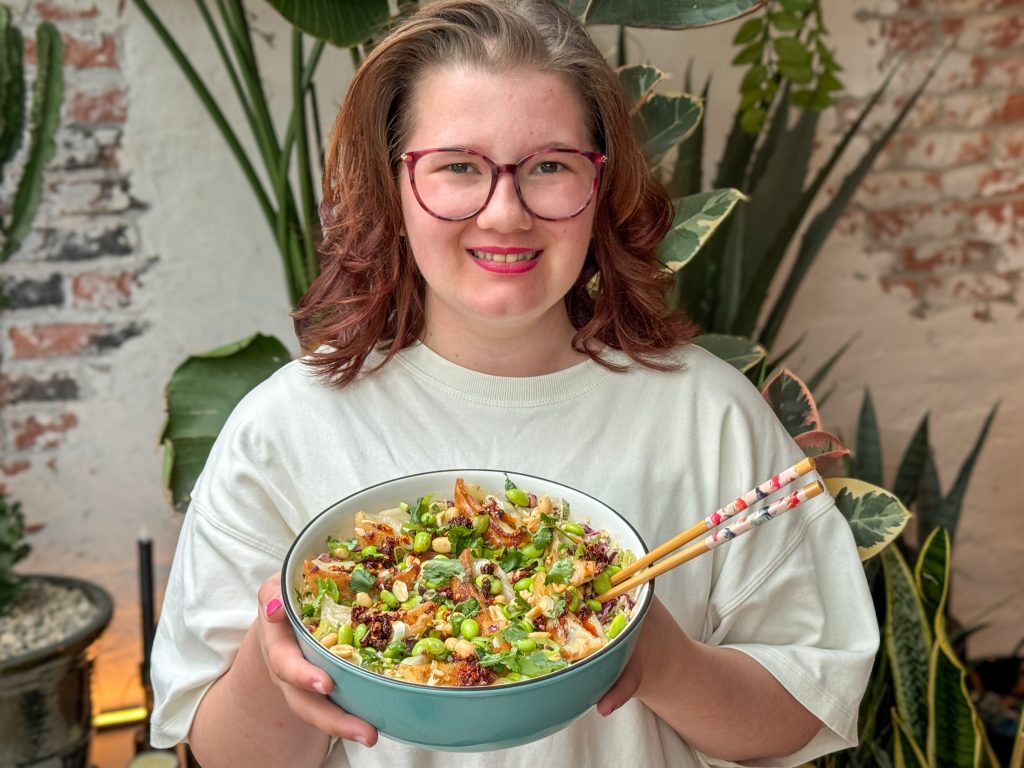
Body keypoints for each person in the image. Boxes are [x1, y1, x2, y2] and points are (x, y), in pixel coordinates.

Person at [149, 1, 878, 766]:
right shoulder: (284, 431)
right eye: (459, 167)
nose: (505, 213)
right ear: (394, 185)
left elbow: (804, 707)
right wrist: (277, 672)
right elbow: (216, 756)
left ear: (600, 187)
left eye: (549, 167)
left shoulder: (707, 414)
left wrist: (660, 659)